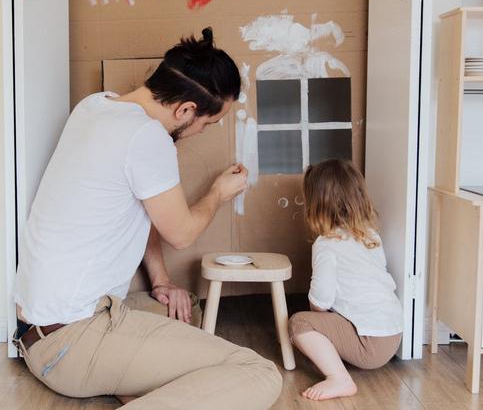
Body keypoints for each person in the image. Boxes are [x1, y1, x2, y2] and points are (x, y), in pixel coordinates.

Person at [12, 27, 282, 409]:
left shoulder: (95, 106)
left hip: (40, 331)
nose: (201, 131)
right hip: (72, 341)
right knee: (256, 372)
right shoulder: (147, 138)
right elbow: (182, 234)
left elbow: (142, 208)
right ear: (186, 109)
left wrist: (161, 281)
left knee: (183, 306)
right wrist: (217, 194)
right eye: (208, 123)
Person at [288, 159, 403, 401]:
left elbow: (321, 297)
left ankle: (339, 378)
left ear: (316, 205)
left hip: (370, 345)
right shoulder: (370, 235)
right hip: (394, 334)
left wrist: (319, 316)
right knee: (332, 318)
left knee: (300, 324)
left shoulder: (326, 244)